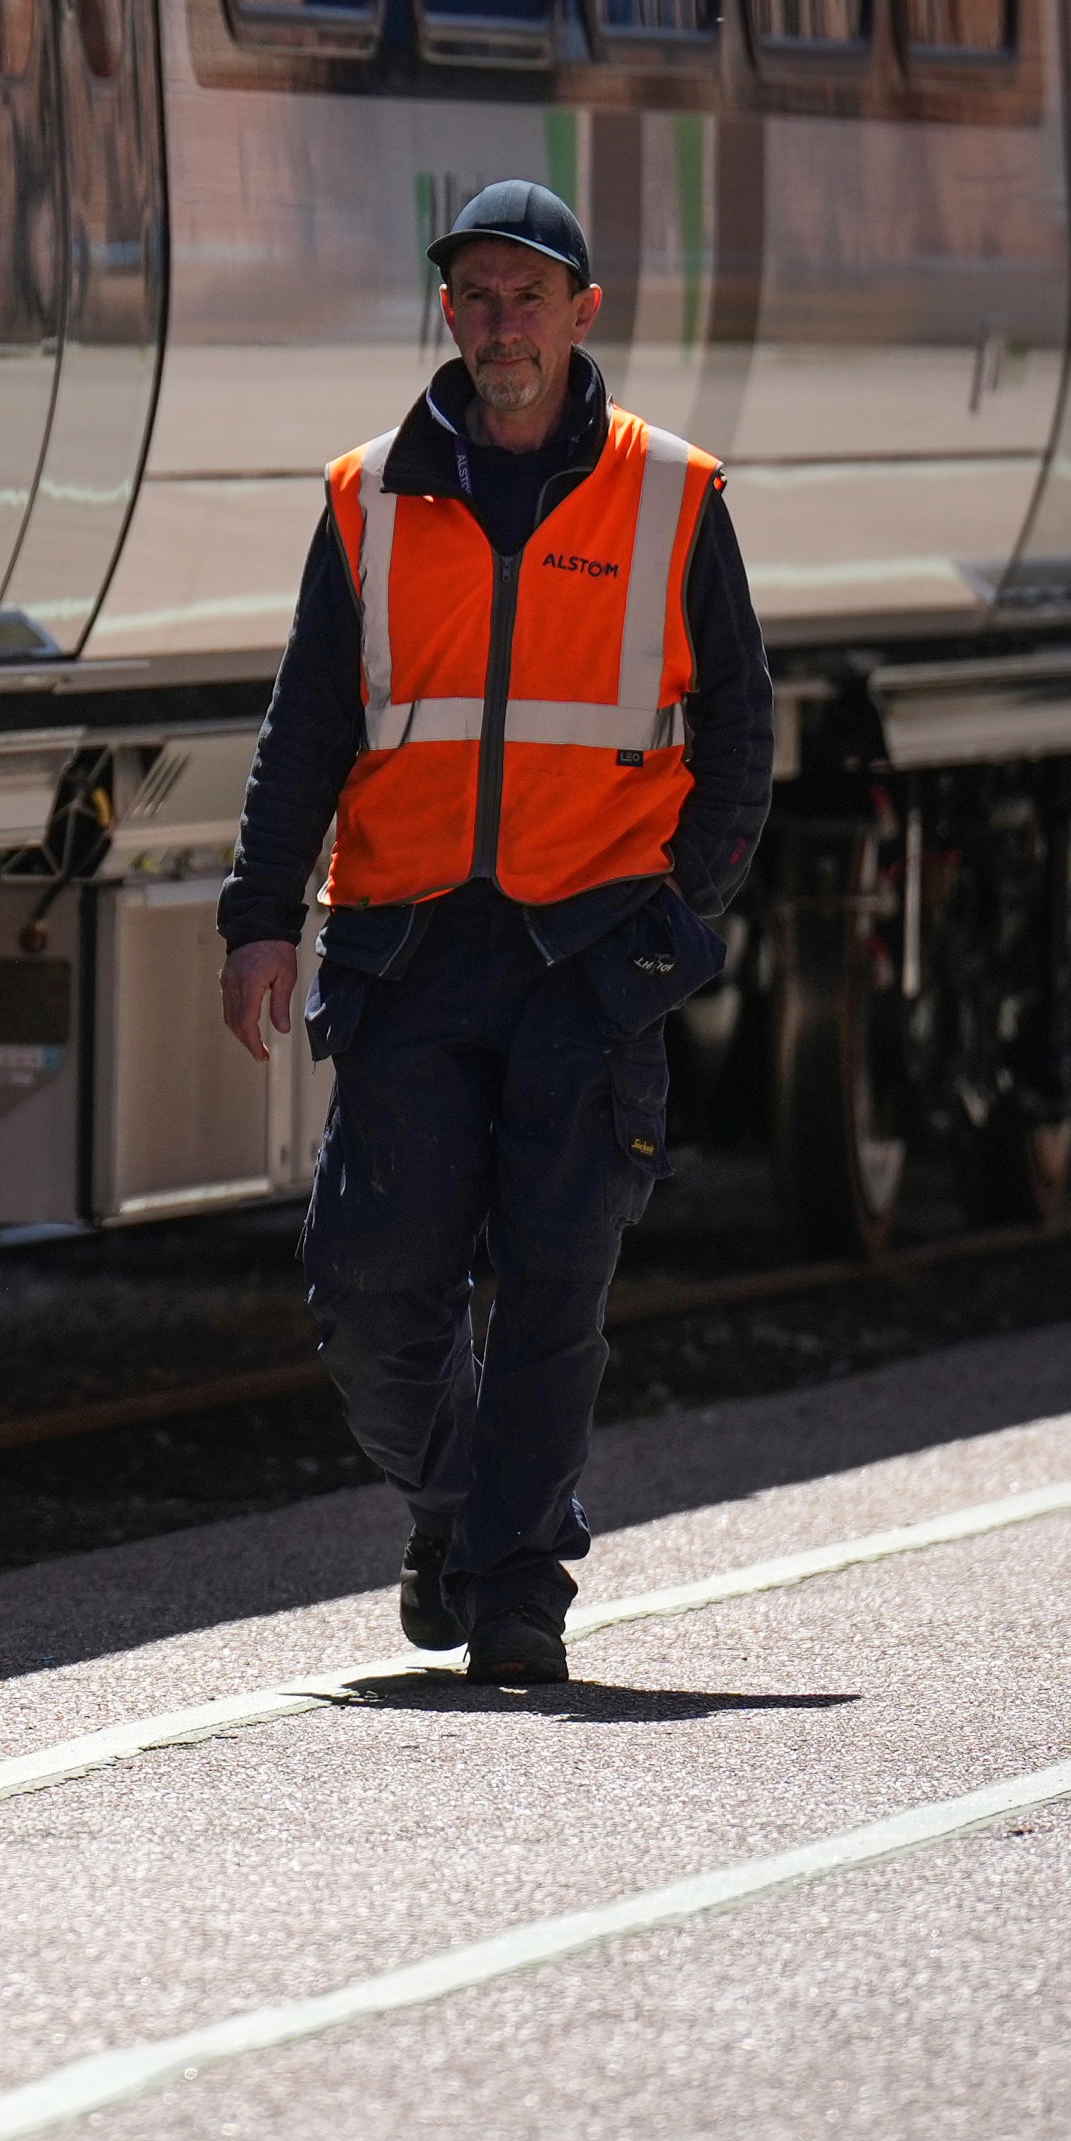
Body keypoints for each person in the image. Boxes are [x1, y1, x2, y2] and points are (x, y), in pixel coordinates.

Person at [214, 180, 775, 1685]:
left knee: (552, 1282)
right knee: (367, 1282)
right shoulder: (366, 494)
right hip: (408, 947)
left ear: (584, 315)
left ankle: (520, 1586)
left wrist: (680, 917)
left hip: (590, 955)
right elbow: (306, 728)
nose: (500, 324)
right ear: (446, 312)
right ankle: (467, 1507)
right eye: (475, 296)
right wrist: (263, 916)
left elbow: (741, 728)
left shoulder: (673, 494)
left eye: (529, 297)